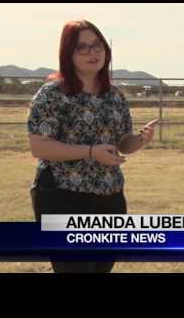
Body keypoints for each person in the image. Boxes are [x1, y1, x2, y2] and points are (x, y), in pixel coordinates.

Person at [27, 19, 157, 273]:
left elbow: (122, 143)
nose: (92, 52)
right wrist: (90, 152)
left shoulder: (114, 95)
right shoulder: (52, 94)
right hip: (62, 195)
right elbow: (39, 147)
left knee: (101, 268)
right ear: (68, 53)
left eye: (97, 45)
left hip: (110, 196)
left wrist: (140, 139)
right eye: (82, 47)